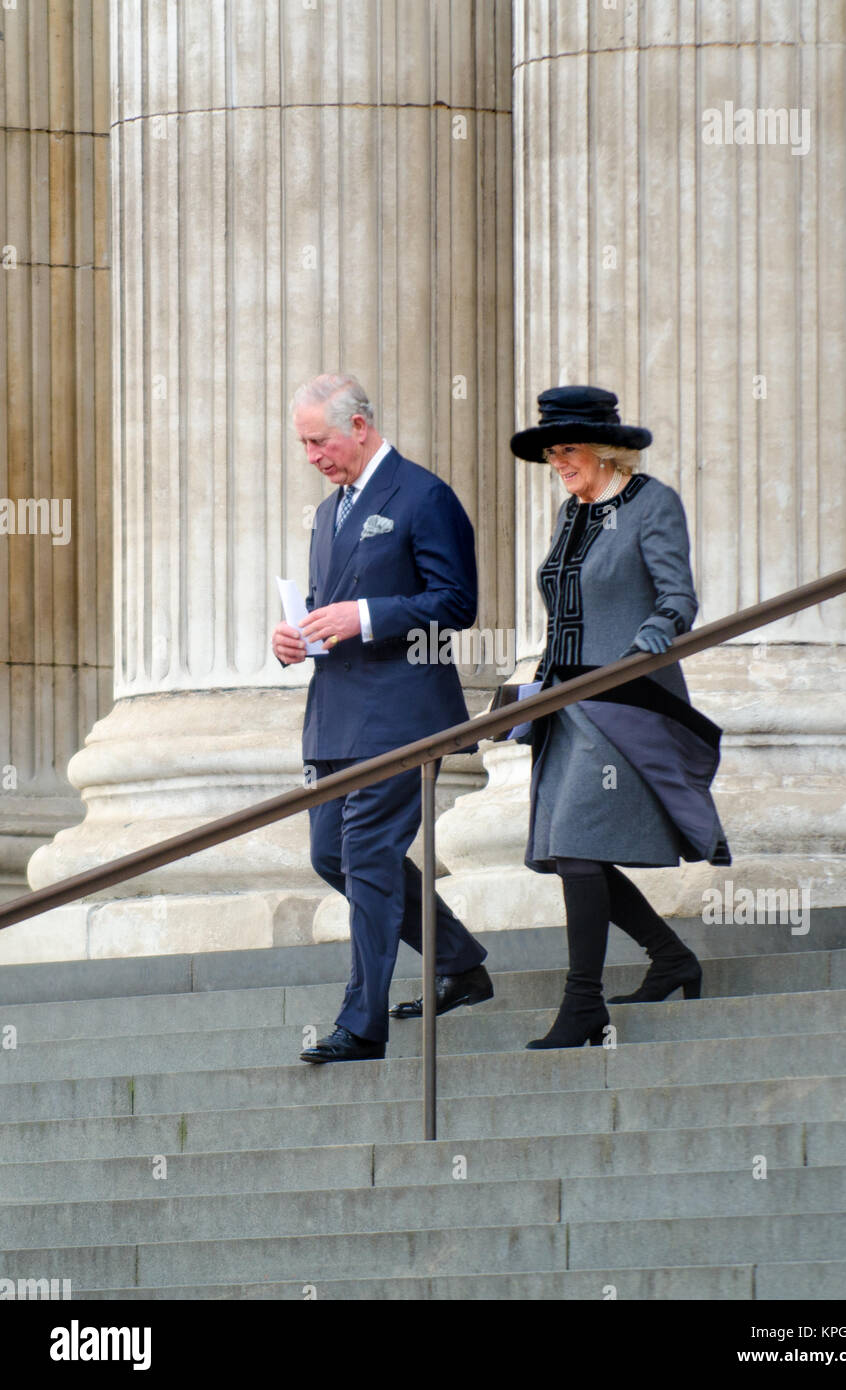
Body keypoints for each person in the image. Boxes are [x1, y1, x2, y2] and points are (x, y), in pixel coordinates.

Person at [273, 373, 492, 1063]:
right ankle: (461, 960)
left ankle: (361, 1024)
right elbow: (326, 607)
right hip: (334, 715)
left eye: (320, 441)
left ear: (360, 426)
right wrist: (293, 638)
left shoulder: (425, 496)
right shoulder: (327, 512)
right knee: (330, 854)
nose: (312, 455)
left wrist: (364, 616)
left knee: (366, 854)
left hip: (402, 714)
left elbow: (456, 603)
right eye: (304, 443)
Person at [508, 385, 731, 1050]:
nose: (558, 461)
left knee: (577, 845)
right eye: (551, 451)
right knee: (572, 850)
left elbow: (677, 595)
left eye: (567, 448)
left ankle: (584, 1006)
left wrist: (657, 632)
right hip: (564, 704)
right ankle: (670, 957)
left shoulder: (652, 503)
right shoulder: (568, 514)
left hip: (623, 701)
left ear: (606, 449)